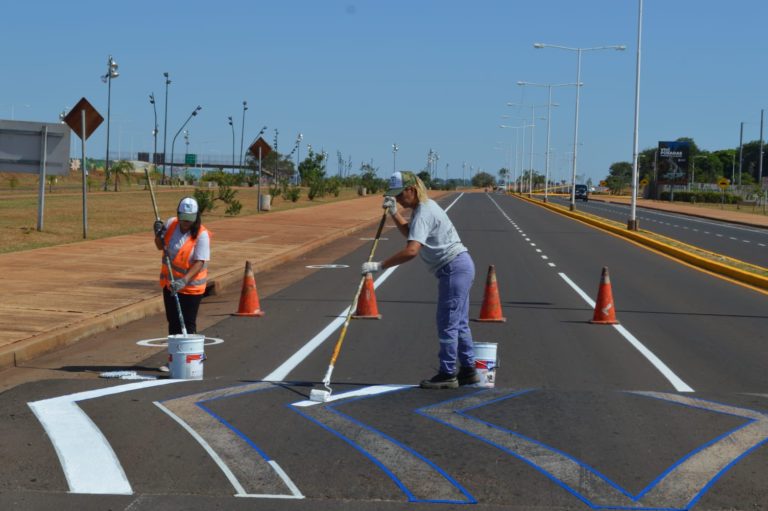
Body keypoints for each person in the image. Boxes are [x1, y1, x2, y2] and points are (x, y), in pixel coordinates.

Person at [361, 171, 480, 389]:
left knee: (447, 323)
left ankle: (447, 373)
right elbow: (412, 233)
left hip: (453, 268)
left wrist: (379, 265)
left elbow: (412, 250)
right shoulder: (421, 209)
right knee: (459, 322)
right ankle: (469, 370)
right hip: (458, 266)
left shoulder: (424, 211)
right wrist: (395, 213)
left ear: (411, 190)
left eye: (399, 195)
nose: (397, 199)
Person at [153, 197, 211, 340]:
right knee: (173, 323)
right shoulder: (171, 223)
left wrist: (183, 281)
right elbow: (160, 246)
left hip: (191, 288)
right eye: (183, 218)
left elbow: (199, 262)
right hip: (171, 284)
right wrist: (158, 234)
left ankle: (192, 358)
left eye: (189, 219)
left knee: (187, 324)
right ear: (178, 215)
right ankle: (175, 359)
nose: (186, 223)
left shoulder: (202, 235)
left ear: (196, 218)